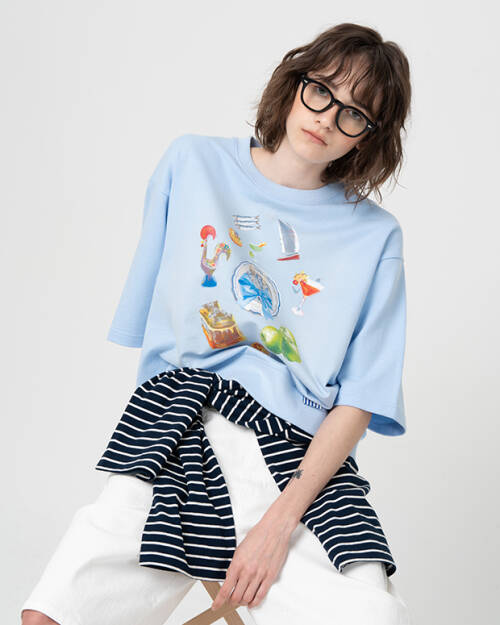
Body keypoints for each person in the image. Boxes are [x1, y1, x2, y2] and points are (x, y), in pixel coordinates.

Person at [21, 21, 412, 625]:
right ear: (295, 83)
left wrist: (278, 523)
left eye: (355, 114)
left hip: (295, 453)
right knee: (53, 613)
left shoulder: (376, 237)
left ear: (369, 136)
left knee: (371, 615)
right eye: (322, 91)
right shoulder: (192, 162)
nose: (328, 119)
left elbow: (361, 399)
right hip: (178, 421)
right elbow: (159, 333)